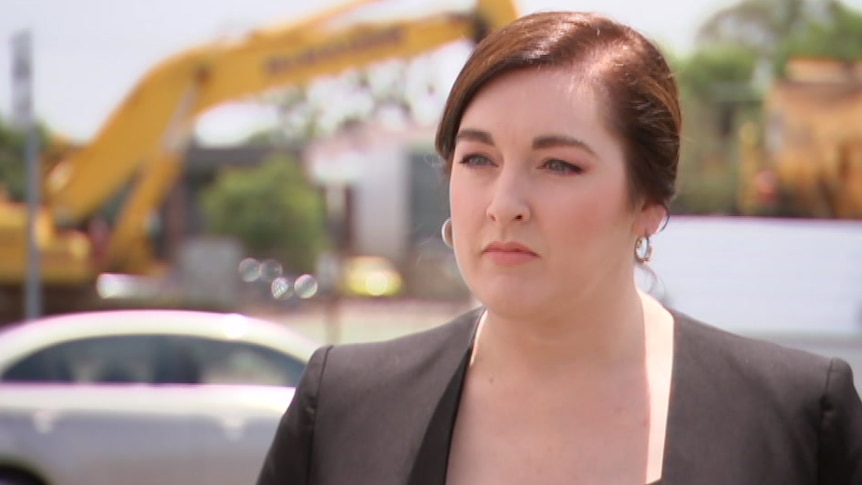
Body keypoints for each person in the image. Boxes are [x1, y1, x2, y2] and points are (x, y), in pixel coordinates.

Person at [256, 10, 862, 485]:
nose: (504, 202)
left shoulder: (795, 417)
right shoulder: (344, 406)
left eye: (558, 165)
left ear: (648, 203)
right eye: (477, 159)